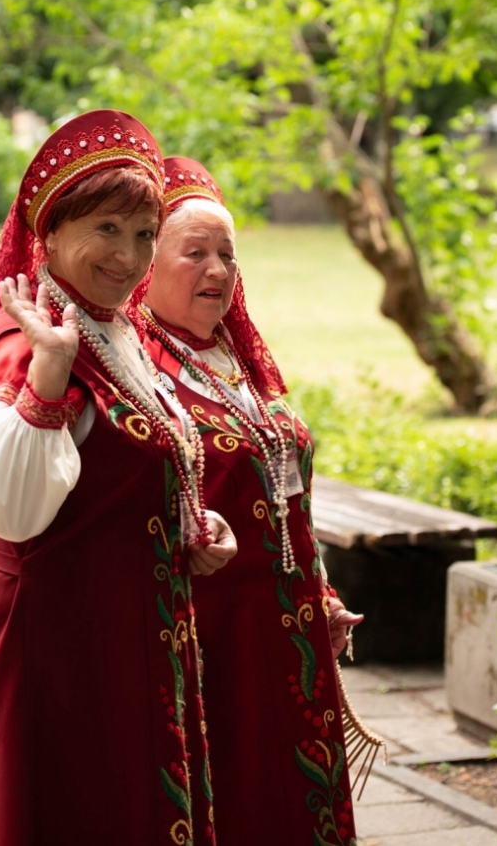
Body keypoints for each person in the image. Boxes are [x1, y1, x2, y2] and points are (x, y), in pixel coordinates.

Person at [0, 113, 237, 846]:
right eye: (108, 229)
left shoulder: (115, 330)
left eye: (145, 234)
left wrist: (194, 530)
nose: (131, 256)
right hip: (61, 649)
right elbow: (6, 513)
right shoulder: (26, 346)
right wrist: (47, 376)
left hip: (127, 640)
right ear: (49, 235)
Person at [132, 158, 381, 846]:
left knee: (294, 802)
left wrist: (321, 592)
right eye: (196, 253)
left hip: (286, 627)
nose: (218, 269)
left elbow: (286, 488)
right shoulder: (137, 368)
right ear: (147, 264)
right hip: (215, 637)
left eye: (228, 254)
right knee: (238, 797)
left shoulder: (233, 362)